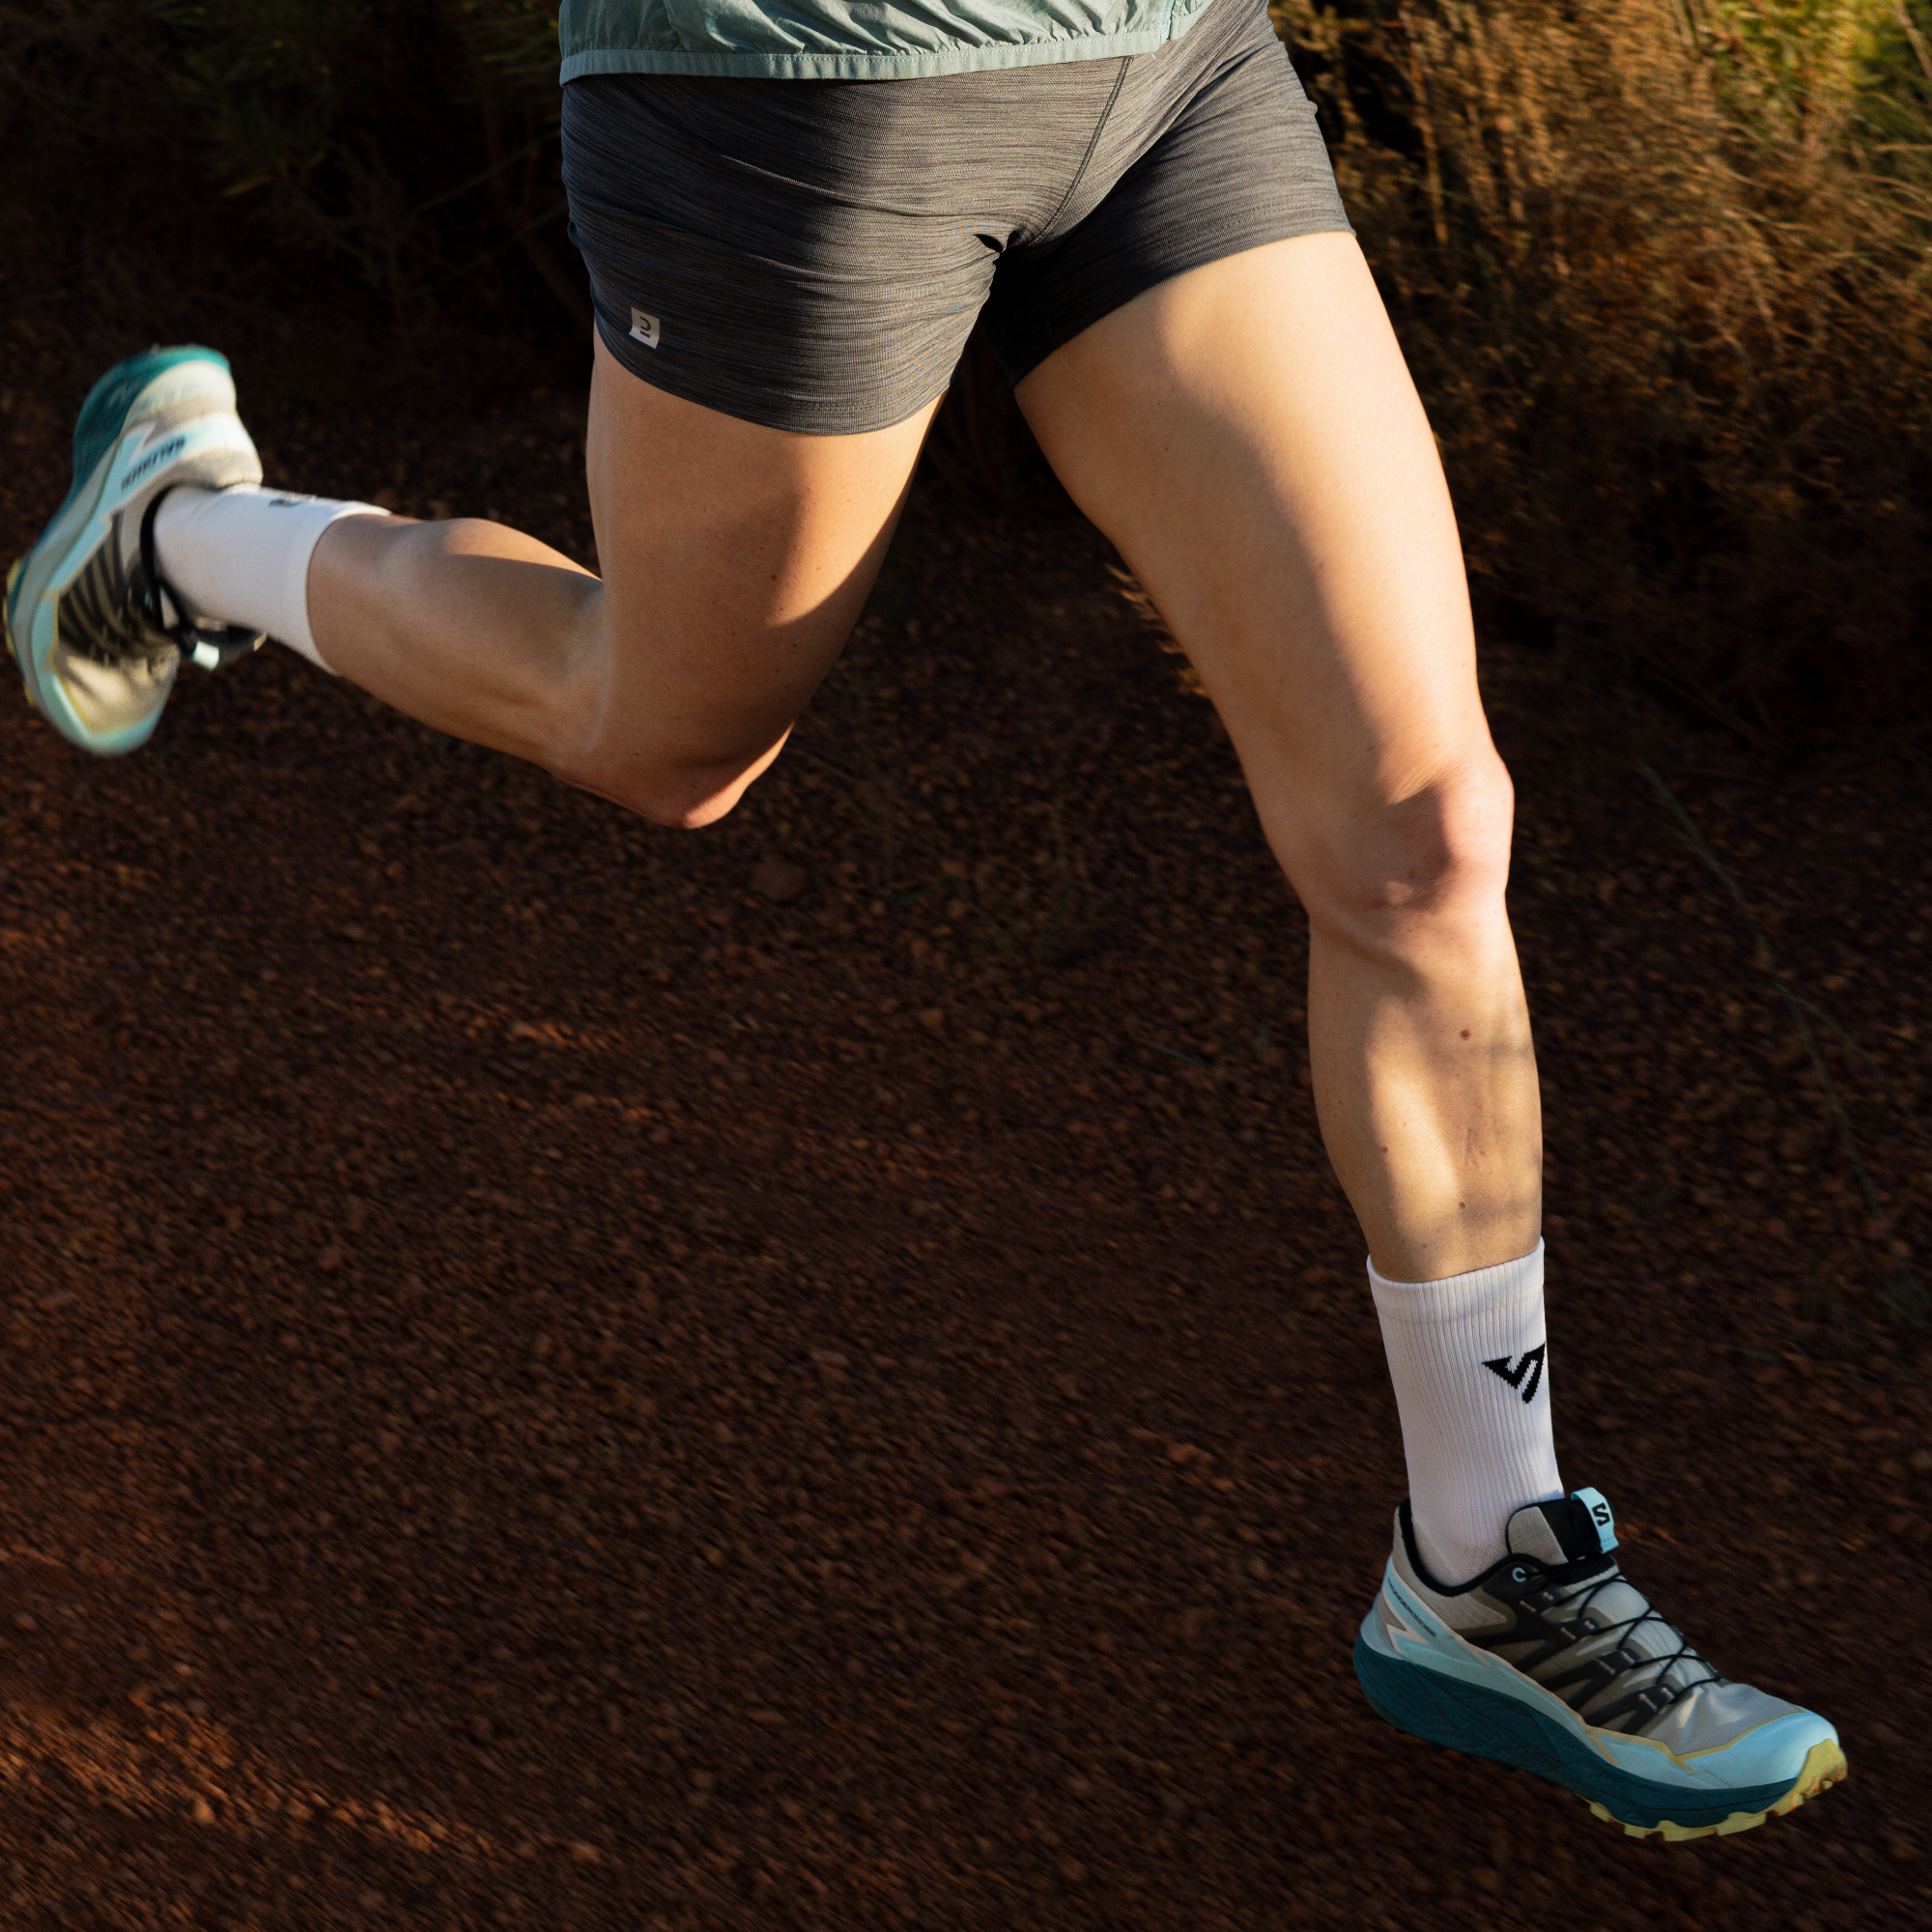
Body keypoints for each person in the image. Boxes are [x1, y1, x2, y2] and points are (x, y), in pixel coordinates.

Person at [5, 0, 1842, 1842]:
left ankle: (1484, 1557)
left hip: (1158, 58)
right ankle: (178, 532)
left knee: (1425, 836)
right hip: (797, 90)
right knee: (659, 732)